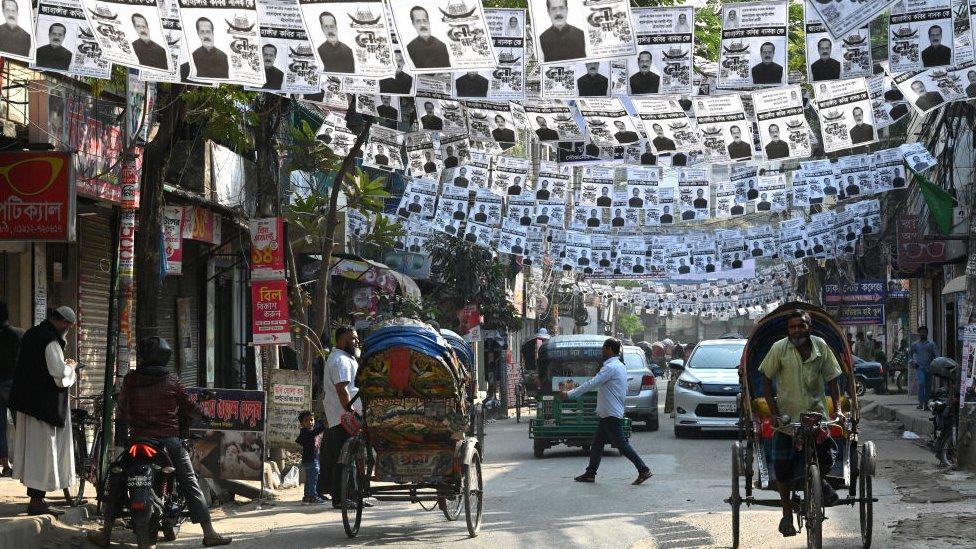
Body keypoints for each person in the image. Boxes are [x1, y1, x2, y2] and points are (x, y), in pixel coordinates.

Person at [87, 337, 232, 547]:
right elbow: (190, 407)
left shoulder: (130, 379)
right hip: (168, 442)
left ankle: (106, 533)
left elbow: (121, 408)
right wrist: (204, 415)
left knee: (117, 476)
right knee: (190, 481)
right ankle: (209, 532)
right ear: (165, 357)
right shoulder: (172, 380)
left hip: (138, 441)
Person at [760, 309, 843, 537]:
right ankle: (787, 513)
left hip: (816, 416)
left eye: (801, 326)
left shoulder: (821, 346)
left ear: (809, 327)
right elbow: (766, 379)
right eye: (792, 327)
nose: (797, 330)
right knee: (782, 468)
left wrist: (838, 408)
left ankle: (820, 482)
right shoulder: (779, 348)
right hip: (788, 419)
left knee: (827, 457)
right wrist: (774, 413)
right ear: (788, 330)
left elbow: (833, 379)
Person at [7, 307, 78, 516]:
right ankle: (37, 501)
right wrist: (71, 367)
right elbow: (58, 373)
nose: (68, 330)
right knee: (43, 455)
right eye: (68, 326)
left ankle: (36, 499)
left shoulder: (32, 334)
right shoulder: (50, 341)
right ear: (63, 323)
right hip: (43, 408)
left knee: (33, 454)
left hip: (28, 404)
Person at [557, 338, 652, 485]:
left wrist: (569, 394)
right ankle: (590, 473)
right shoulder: (619, 366)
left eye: (603, 348)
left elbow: (592, 383)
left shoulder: (610, 367)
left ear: (609, 349)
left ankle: (643, 469)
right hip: (609, 411)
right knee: (597, 443)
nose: (602, 351)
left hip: (610, 412)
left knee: (621, 444)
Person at [320, 326, 369, 508]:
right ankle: (341, 499)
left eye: (356, 338)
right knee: (343, 458)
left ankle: (354, 496)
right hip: (343, 418)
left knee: (351, 457)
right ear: (341, 340)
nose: (356, 341)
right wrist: (351, 413)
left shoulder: (346, 358)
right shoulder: (340, 360)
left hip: (345, 416)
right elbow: (342, 390)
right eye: (352, 338)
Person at [0, 302, 22, 477]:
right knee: (20, 424)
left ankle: (5, 465)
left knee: (0, 426)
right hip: (15, 385)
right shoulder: (19, 334)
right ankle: (22, 465)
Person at [909, 326, 940, 410]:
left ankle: (926, 403)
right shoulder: (915, 345)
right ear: (919, 334)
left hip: (929, 368)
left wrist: (936, 364)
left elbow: (937, 356)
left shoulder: (931, 344)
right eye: (921, 332)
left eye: (924, 332)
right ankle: (920, 402)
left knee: (928, 386)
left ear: (927, 333)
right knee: (921, 383)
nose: (923, 334)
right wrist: (912, 362)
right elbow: (909, 355)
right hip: (919, 368)